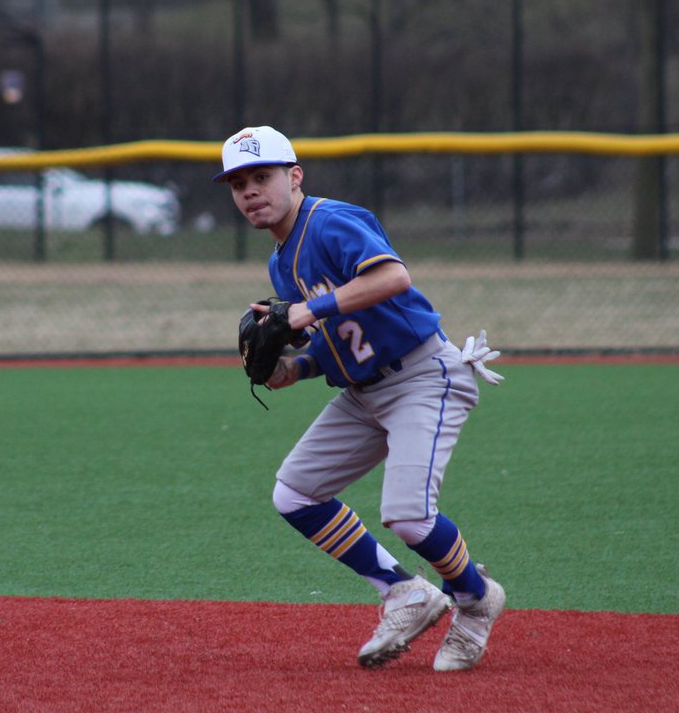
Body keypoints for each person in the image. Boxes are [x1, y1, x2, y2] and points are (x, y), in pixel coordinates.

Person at [214, 125, 506, 671]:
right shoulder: (281, 262)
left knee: (410, 517)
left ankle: (475, 599)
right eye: (238, 184)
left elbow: (393, 278)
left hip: (423, 375)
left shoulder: (330, 221)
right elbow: (343, 339)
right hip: (365, 391)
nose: (251, 190)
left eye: (263, 176)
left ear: (294, 176)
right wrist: (294, 369)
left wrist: (304, 312)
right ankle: (405, 592)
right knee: (295, 493)